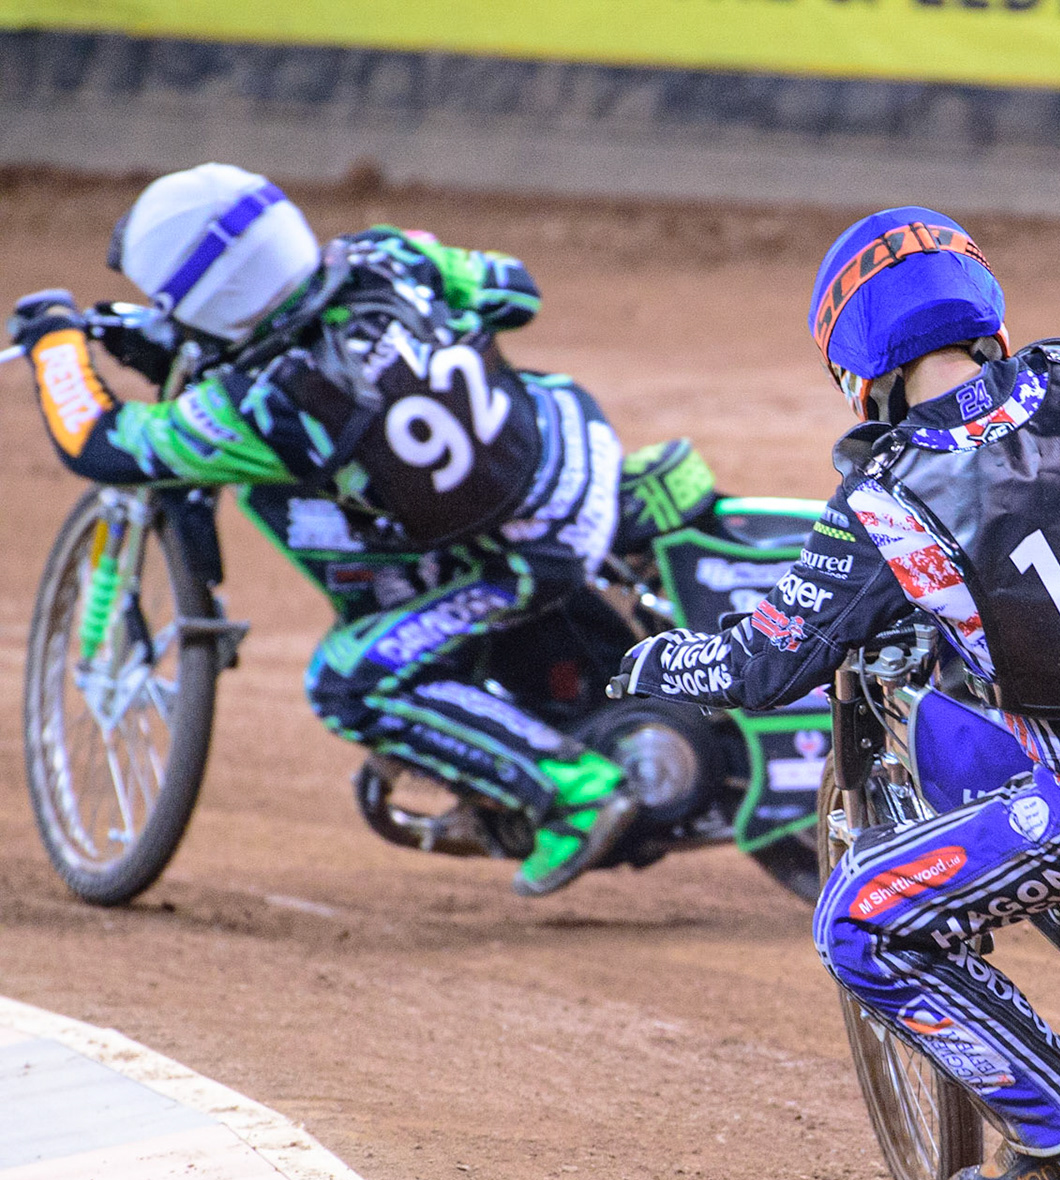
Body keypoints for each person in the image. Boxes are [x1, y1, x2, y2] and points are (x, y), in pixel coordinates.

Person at [612, 206, 1060, 1180]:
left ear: (860, 369)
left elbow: (764, 668)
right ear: (982, 312)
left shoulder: (886, 500)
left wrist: (658, 658)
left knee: (859, 926)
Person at [9, 162, 655, 896]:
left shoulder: (257, 409)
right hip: (574, 441)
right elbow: (513, 290)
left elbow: (100, 443)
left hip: (528, 550)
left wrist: (56, 344)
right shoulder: (388, 254)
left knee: (350, 679)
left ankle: (573, 790)